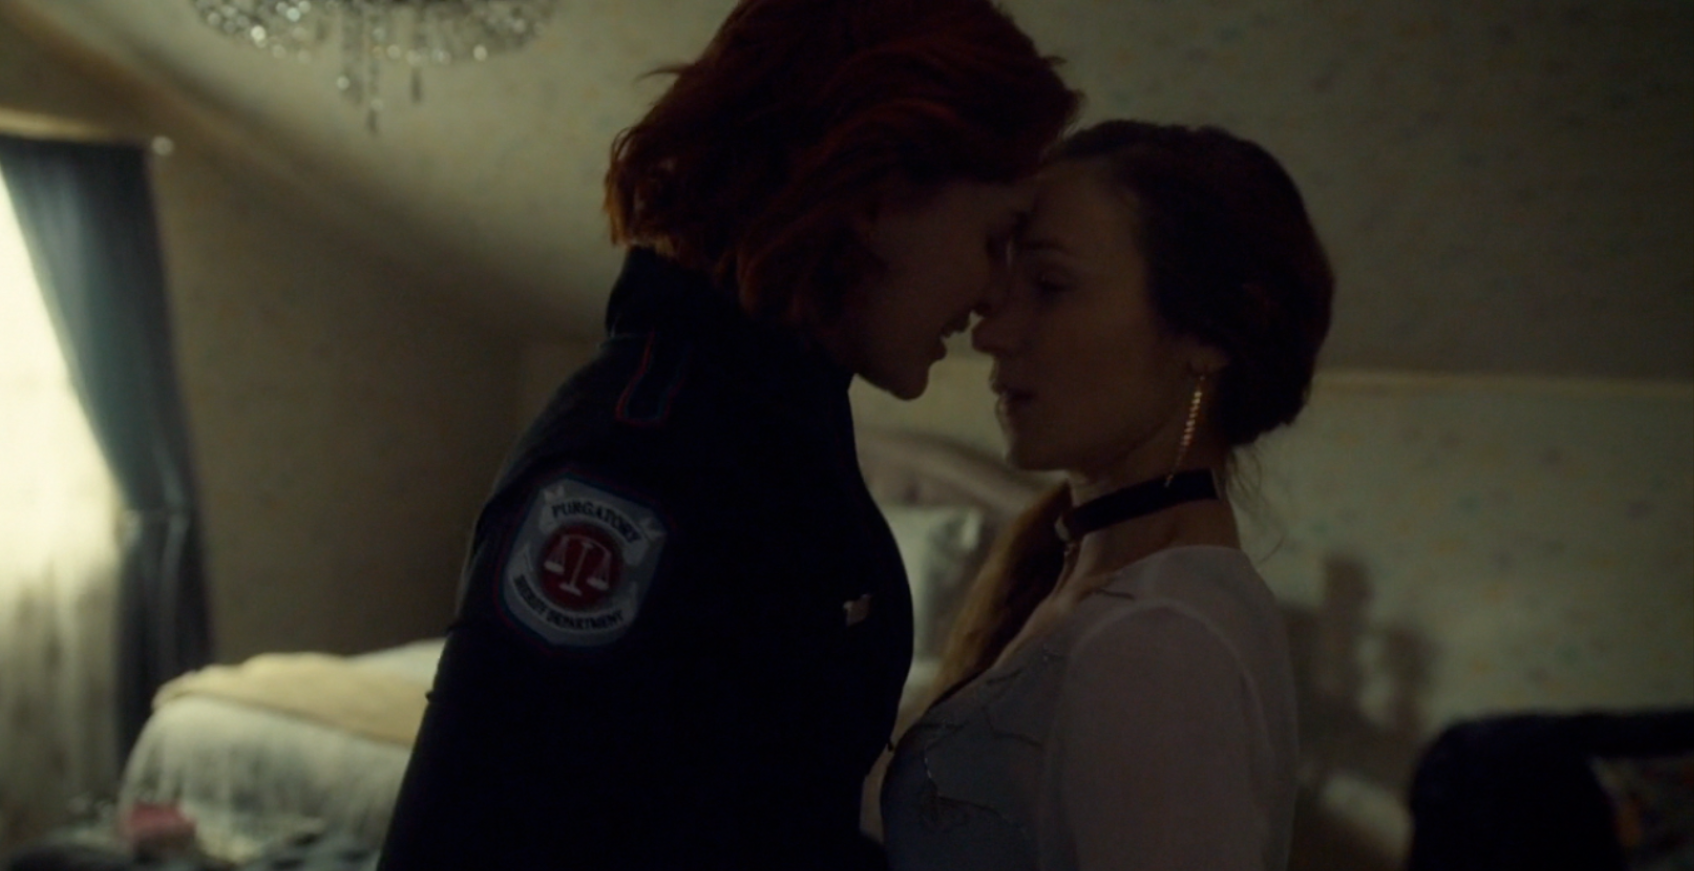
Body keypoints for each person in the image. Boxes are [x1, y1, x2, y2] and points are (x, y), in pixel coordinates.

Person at [376, 2, 1078, 869]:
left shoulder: (762, 426)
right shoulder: (642, 460)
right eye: (995, 236)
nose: (993, 294)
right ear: (880, 195)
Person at [879, 120, 1334, 871]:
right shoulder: (1098, 588)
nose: (990, 331)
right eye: (1003, 284)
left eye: (1050, 286)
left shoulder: (1161, 643)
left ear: (1209, 335)